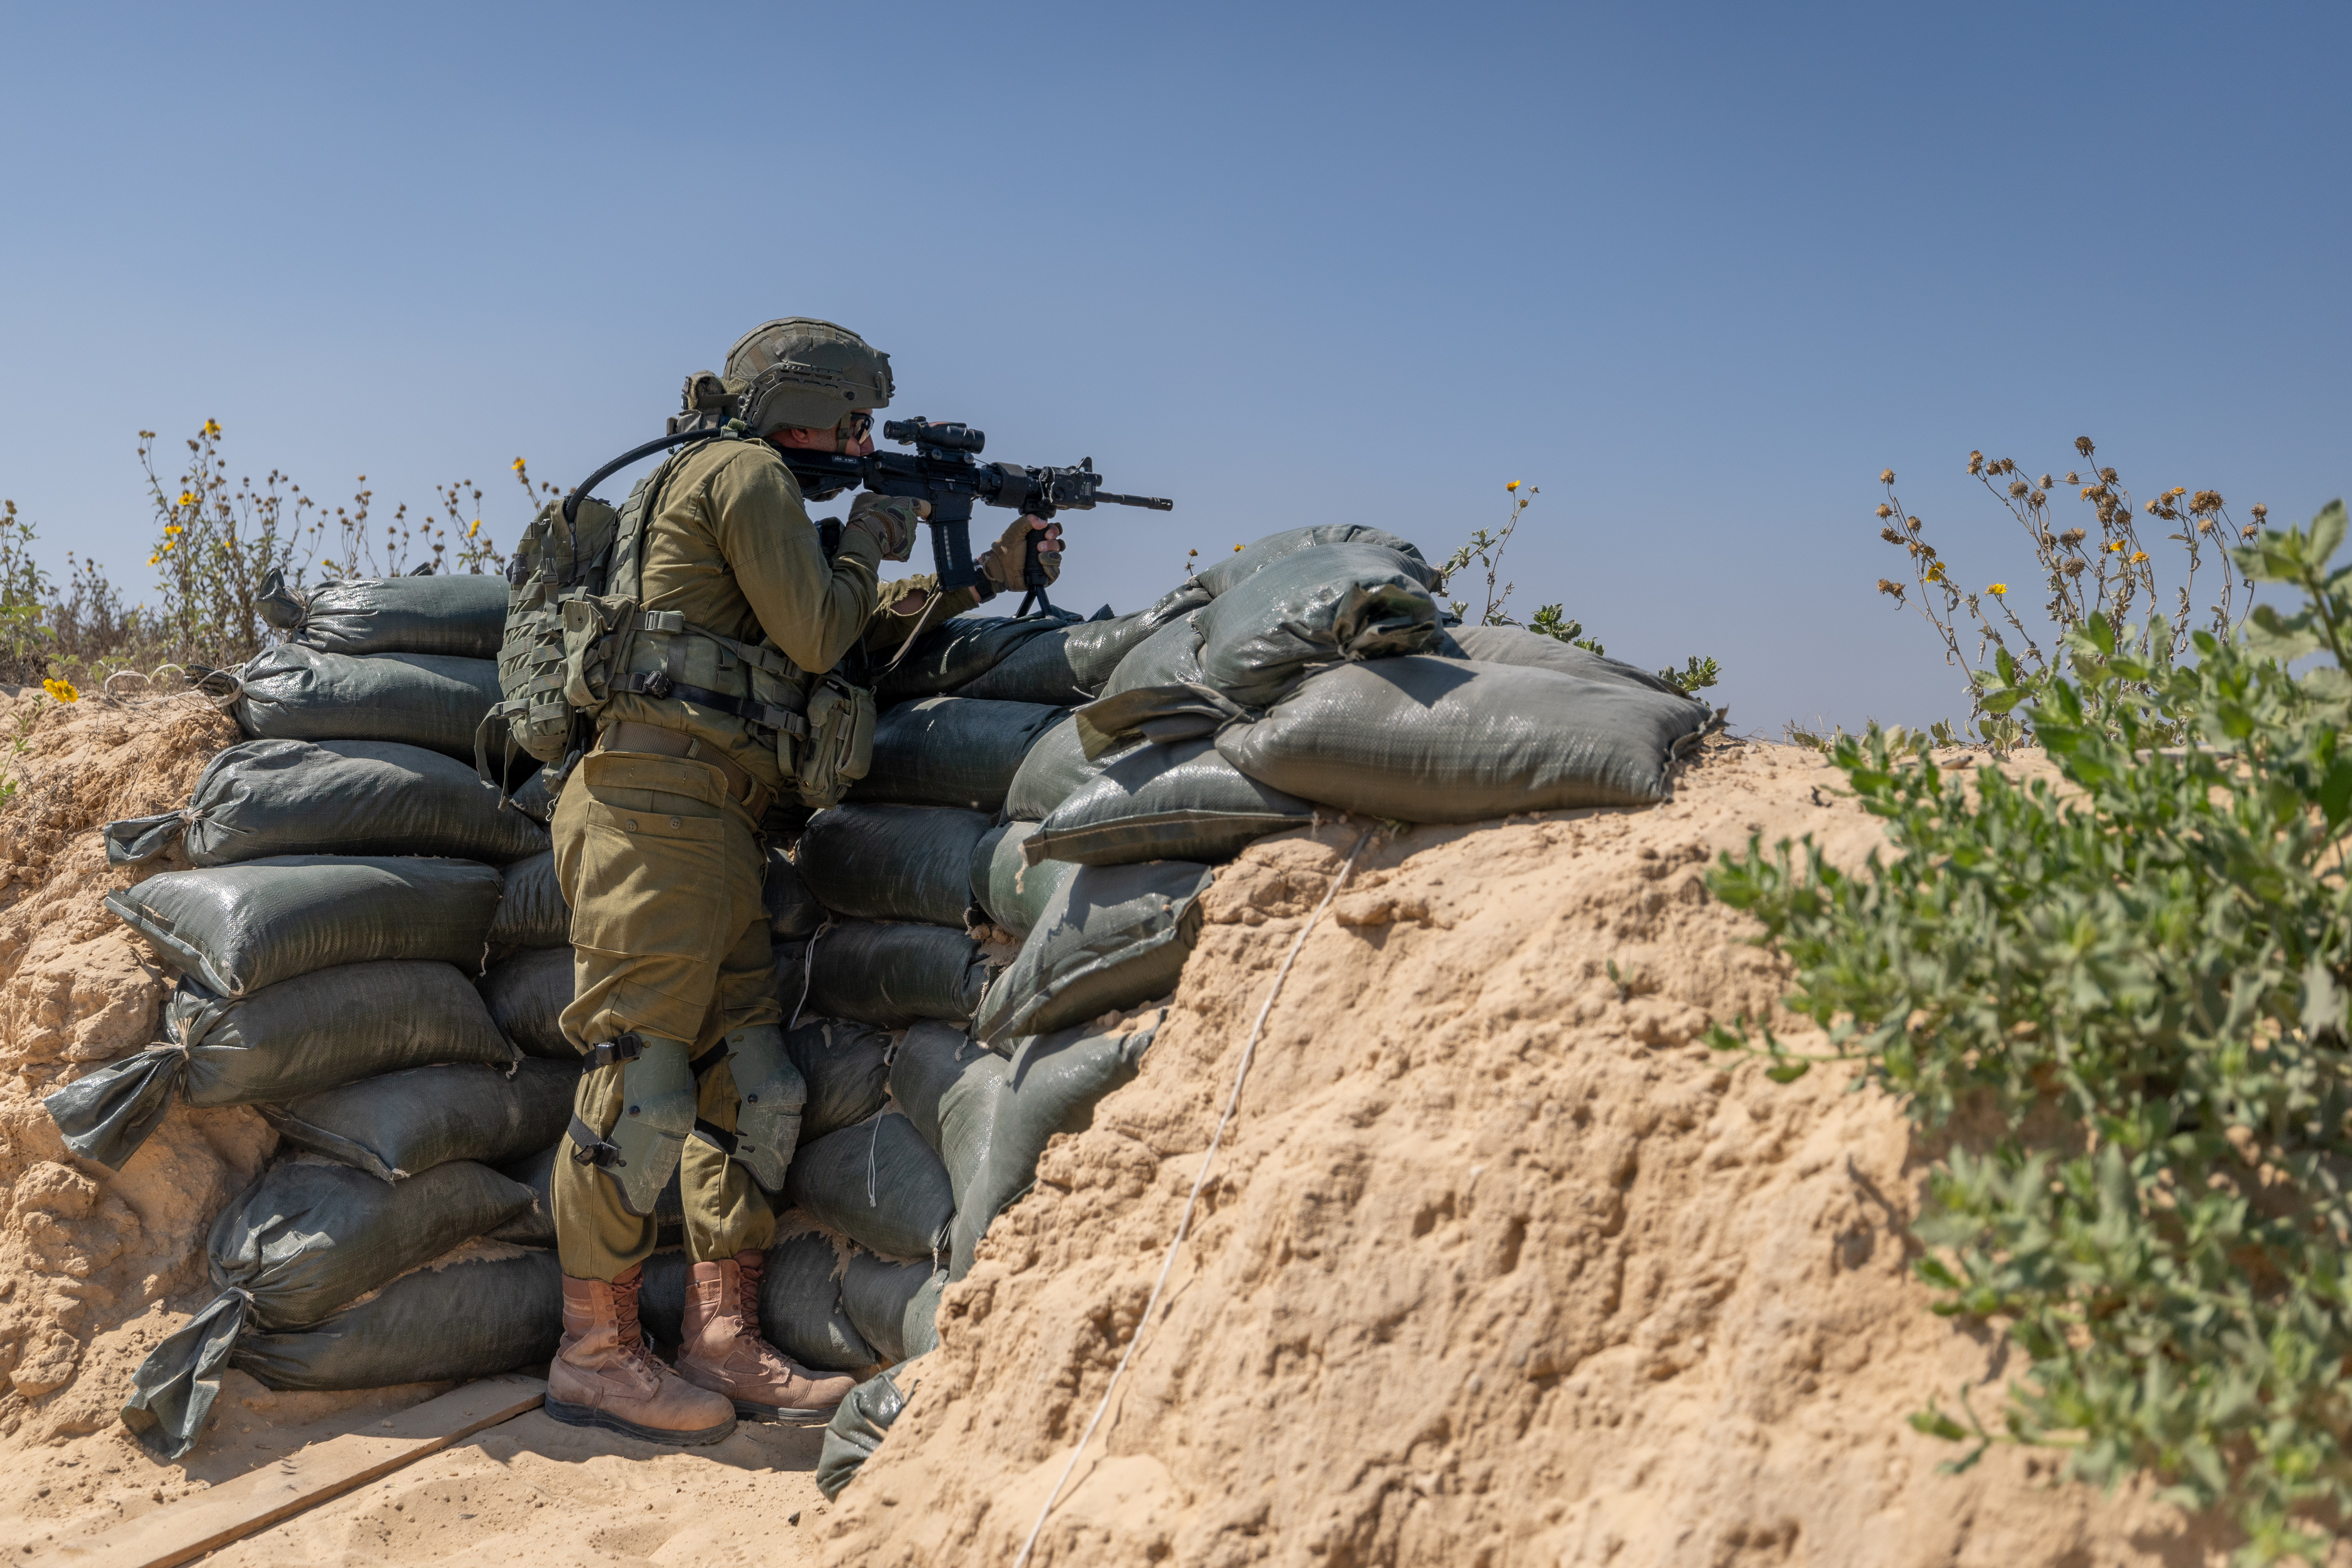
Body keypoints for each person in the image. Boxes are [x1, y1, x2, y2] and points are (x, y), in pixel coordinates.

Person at [545, 318, 1062, 1444]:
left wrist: (976, 577)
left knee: (758, 1084)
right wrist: (877, 528)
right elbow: (825, 630)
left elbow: (813, 652)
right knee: (641, 1081)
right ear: (805, 404)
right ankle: (595, 1351)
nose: (863, 437)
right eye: (854, 420)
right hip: (650, 812)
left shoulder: (744, 481)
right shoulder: (742, 473)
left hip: (715, 821)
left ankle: (720, 1336)